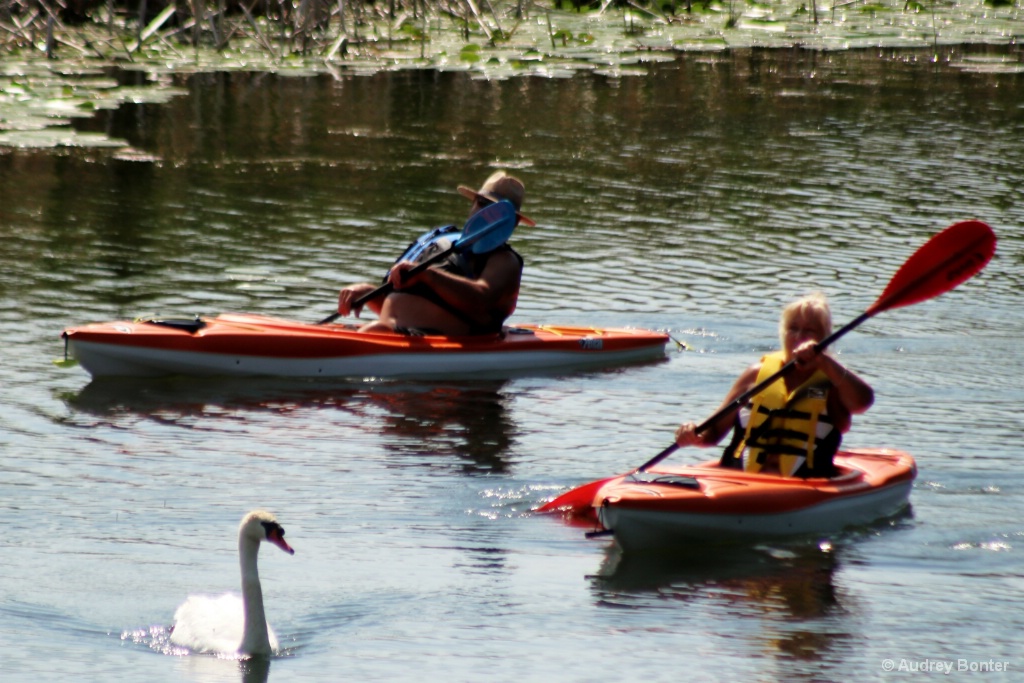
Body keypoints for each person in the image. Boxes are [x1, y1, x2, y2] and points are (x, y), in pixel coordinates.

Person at [674, 292, 875, 478]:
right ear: (783, 332)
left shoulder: (834, 382)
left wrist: (824, 361)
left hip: (805, 485)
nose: (798, 337)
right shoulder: (756, 374)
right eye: (793, 329)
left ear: (823, 338)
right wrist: (694, 433)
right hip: (741, 481)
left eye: (809, 331)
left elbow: (863, 402)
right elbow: (714, 431)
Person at [337, 171, 535, 336]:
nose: (483, 213)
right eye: (481, 203)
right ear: (473, 203)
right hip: (395, 332)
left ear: (512, 222)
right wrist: (368, 293)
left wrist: (427, 275)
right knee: (368, 329)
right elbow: (412, 305)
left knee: (375, 331)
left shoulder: (504, 260)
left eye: (494, 209)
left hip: (439, 343)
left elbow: (482, 300)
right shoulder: (446, 241)